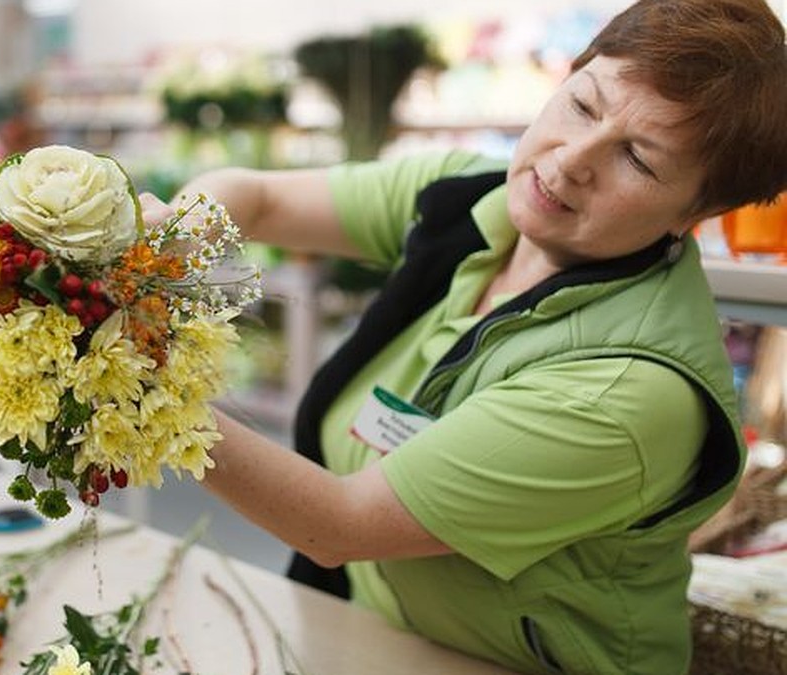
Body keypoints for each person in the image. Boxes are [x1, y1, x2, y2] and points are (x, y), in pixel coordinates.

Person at [139, 0, 787, 673]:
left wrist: (142, 399)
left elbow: (339, 523)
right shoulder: (472, 201)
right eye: (584, 106)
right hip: (370, 631)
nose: (570, 163)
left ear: (700, 211)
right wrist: (177, 244)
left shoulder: (628, 391)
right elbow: (255, 196)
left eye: (639, 160)